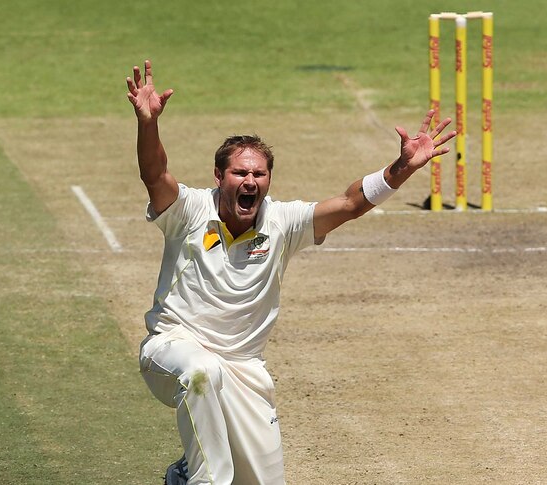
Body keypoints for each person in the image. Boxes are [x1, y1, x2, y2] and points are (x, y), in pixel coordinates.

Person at [126, 60, 455, 485]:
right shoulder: (189, 210)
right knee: (202, 372)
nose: (250, 181)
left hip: (244, 369)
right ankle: (201, 479)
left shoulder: (284, 221)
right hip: (173, 350)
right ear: (218, 176)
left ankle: (185, 471)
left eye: (259, 174)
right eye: (240, 172)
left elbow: (350, 204)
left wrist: (402, 168)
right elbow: (154, 174)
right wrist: (148, 125)